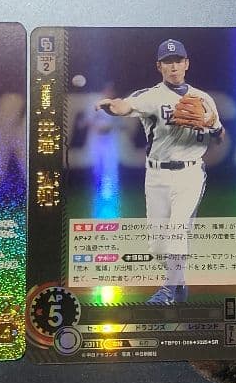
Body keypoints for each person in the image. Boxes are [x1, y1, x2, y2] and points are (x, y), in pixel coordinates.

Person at [95, 39, 224, 305]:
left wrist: (212, 127)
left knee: (177, 230)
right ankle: (179, 283)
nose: (173, 66)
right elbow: (124, 106)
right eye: (167, 62)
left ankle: (167, 290)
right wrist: (112, 107)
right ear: (159, 66)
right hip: (156, 176)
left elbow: (219, 137)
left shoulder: (204, 99)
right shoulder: (151, 96)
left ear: (186, 64)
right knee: (158, 247)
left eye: (178, 60)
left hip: (190, 174)